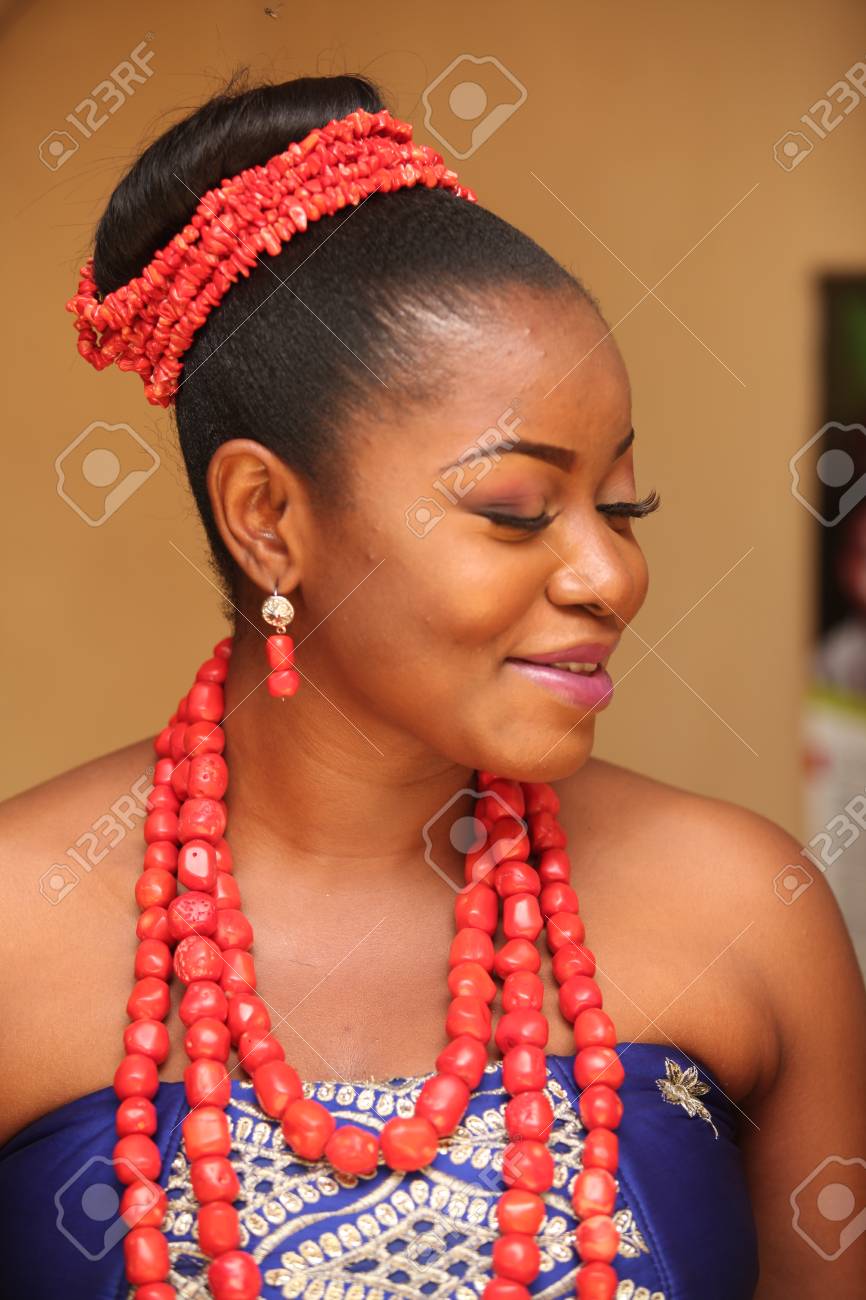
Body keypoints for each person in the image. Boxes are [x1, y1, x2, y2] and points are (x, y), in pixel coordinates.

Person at [1, 71, 864, 1300]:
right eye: (515, 511)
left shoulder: (746, 915)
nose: (609, 571)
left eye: (622, 504)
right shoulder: (18, 934)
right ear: (266, 519)